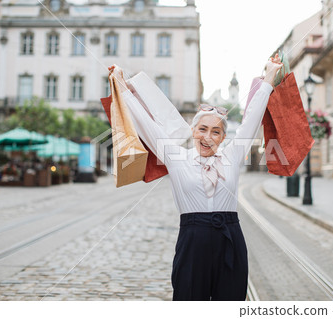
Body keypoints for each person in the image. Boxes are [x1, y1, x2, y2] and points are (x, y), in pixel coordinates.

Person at [109, 54, 283, 301]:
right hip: (192, 241)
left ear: (223, 137)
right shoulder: (176, 157)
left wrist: (268, 77)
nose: (208, 137)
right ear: (193, 131)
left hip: (230, 239)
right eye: (202, 129)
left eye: (216, 131)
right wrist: (122, 88)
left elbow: (251, 119)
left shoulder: (232, 156)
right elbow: (149, 126)